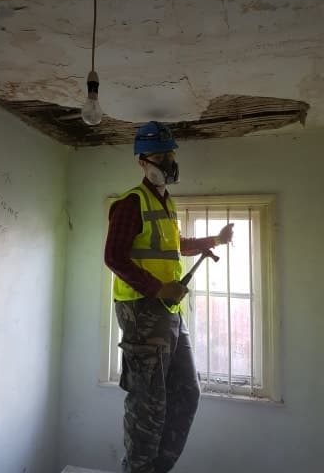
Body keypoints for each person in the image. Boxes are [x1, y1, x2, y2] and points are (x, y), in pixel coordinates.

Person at [104, 121, 233, 473]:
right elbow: (113, 257)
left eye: (169, 153)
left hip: (168, 312)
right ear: (142, 161)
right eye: (159, 155)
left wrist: (215, 241)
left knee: (187, 394)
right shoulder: (131, 203)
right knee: (148, 404)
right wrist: (159, 288)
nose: (167, 162)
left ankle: (155, 469)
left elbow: (177, 246)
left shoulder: (166, 204)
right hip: (142, 313)